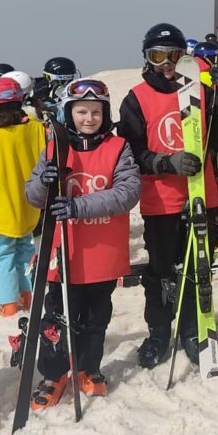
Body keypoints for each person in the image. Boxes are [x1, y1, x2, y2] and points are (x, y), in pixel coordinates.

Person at [117, 23, 218, 369]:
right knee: (161, 273)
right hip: (161, 201)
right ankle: (158, 332)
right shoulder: (136, 98)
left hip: (201, 195)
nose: (167, 63)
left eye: (174, 56)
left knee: (198, 269)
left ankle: (191, 329)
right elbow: (130, 152)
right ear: (147, 59)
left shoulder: (201, 92)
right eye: (158, 56)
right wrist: (164, 162)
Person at [23, 78, 140, 407]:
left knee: (96, 316)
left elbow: (126, 194)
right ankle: (54, 372)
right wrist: (44, 184)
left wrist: (78, 207)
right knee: (58, 318)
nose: (89, 118)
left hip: (103, 254)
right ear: (68, 113)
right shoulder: (55, 148)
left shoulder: (118, 148)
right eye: (81, 112)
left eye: (95, 112)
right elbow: (32, 196)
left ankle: (89, 367)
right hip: (66, 254)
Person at [0, 77, 46, 315]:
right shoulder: (38, 129)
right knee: (26, 250)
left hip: (2, 204)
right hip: (31, 202)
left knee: (4, 254)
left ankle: (8, 304)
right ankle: (28, 294)